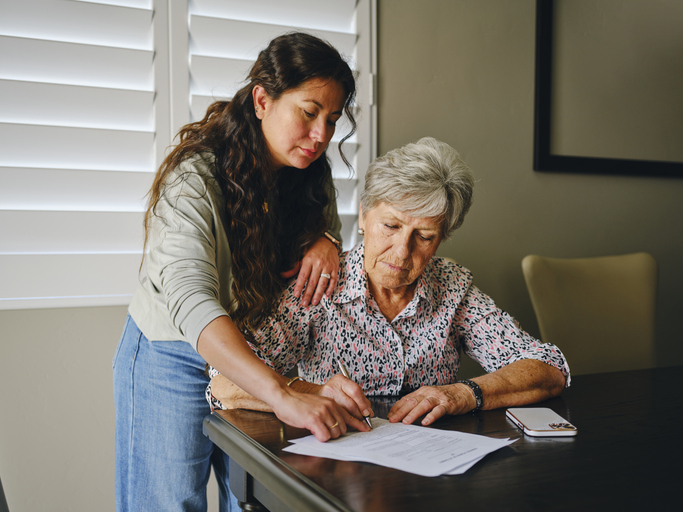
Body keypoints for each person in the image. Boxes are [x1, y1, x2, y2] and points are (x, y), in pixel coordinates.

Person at [113, 33, 373, 512]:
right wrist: (280, 393)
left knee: (256, 500)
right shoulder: (192, 180)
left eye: (332, 120)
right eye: (309, 112)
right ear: (262, 100)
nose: (321, 136)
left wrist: (328, 241)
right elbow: (193, 302)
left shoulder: (311, 179)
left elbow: (327, 253)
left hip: (261, 354)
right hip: (175, 357)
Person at [208, 137, 570, 426]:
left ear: (441, 239)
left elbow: (547, 367)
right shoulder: (319, 285)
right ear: (364, 215)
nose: (401, 252)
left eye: (424, 236)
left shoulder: (452, 287)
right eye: (391, 226)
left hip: (432, 468)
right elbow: (223, 381)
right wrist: (308, 392)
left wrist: (461, 393)